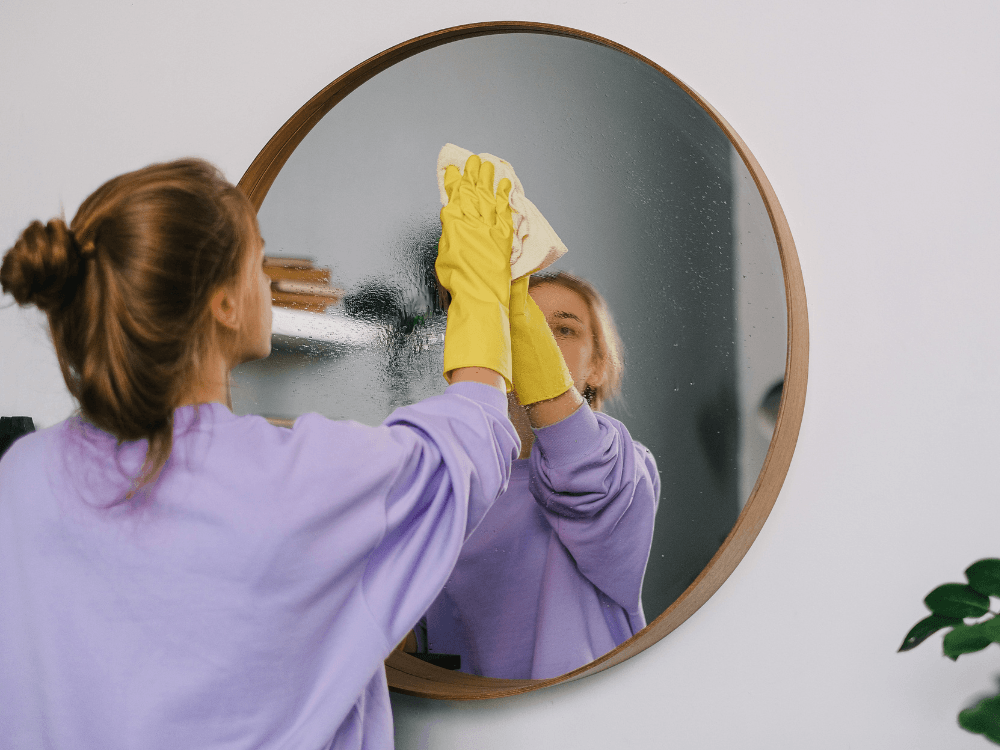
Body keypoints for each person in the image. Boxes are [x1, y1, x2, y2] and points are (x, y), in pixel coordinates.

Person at [0, 156, 518, 749]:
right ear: (222, 304)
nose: (267, 282)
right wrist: (481, 289)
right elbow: (465, 449)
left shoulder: (22, 477)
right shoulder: (302, 479)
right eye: (257, 262)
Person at [414, 270, 661, 680]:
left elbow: (582, 472)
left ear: (597, 367)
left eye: (564, 330)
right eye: (520, 326)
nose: (541, 343)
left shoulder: (625, 467)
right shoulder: (448, 480)